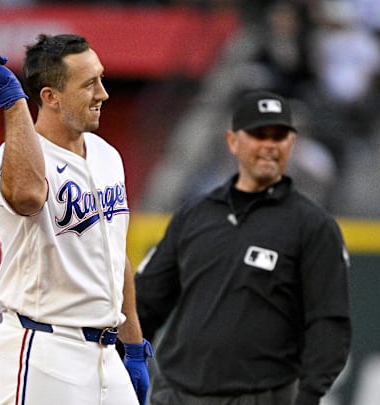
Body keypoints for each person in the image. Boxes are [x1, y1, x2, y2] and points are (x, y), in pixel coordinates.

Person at [0, 34, 152, 405]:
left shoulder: (107, 155)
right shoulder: (14, 159)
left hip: (104, 351)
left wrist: (133, 346)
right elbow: (28, 196)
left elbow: (116, 258)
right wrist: (14, 103)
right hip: (44, 346)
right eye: (89, 84)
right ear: (50, 97)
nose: (103, 93)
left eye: (100, 78)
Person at [135, 90, 351, 405]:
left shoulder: (313, 226)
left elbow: (329, 324)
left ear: (291, 144)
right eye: (258, 134)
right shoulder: (195, 215)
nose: (269, 145)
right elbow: (147, 302)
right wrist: (125, 360)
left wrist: (308, 396)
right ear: (233, 141)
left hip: (260, 397)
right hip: (176, 394)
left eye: (279, 136)